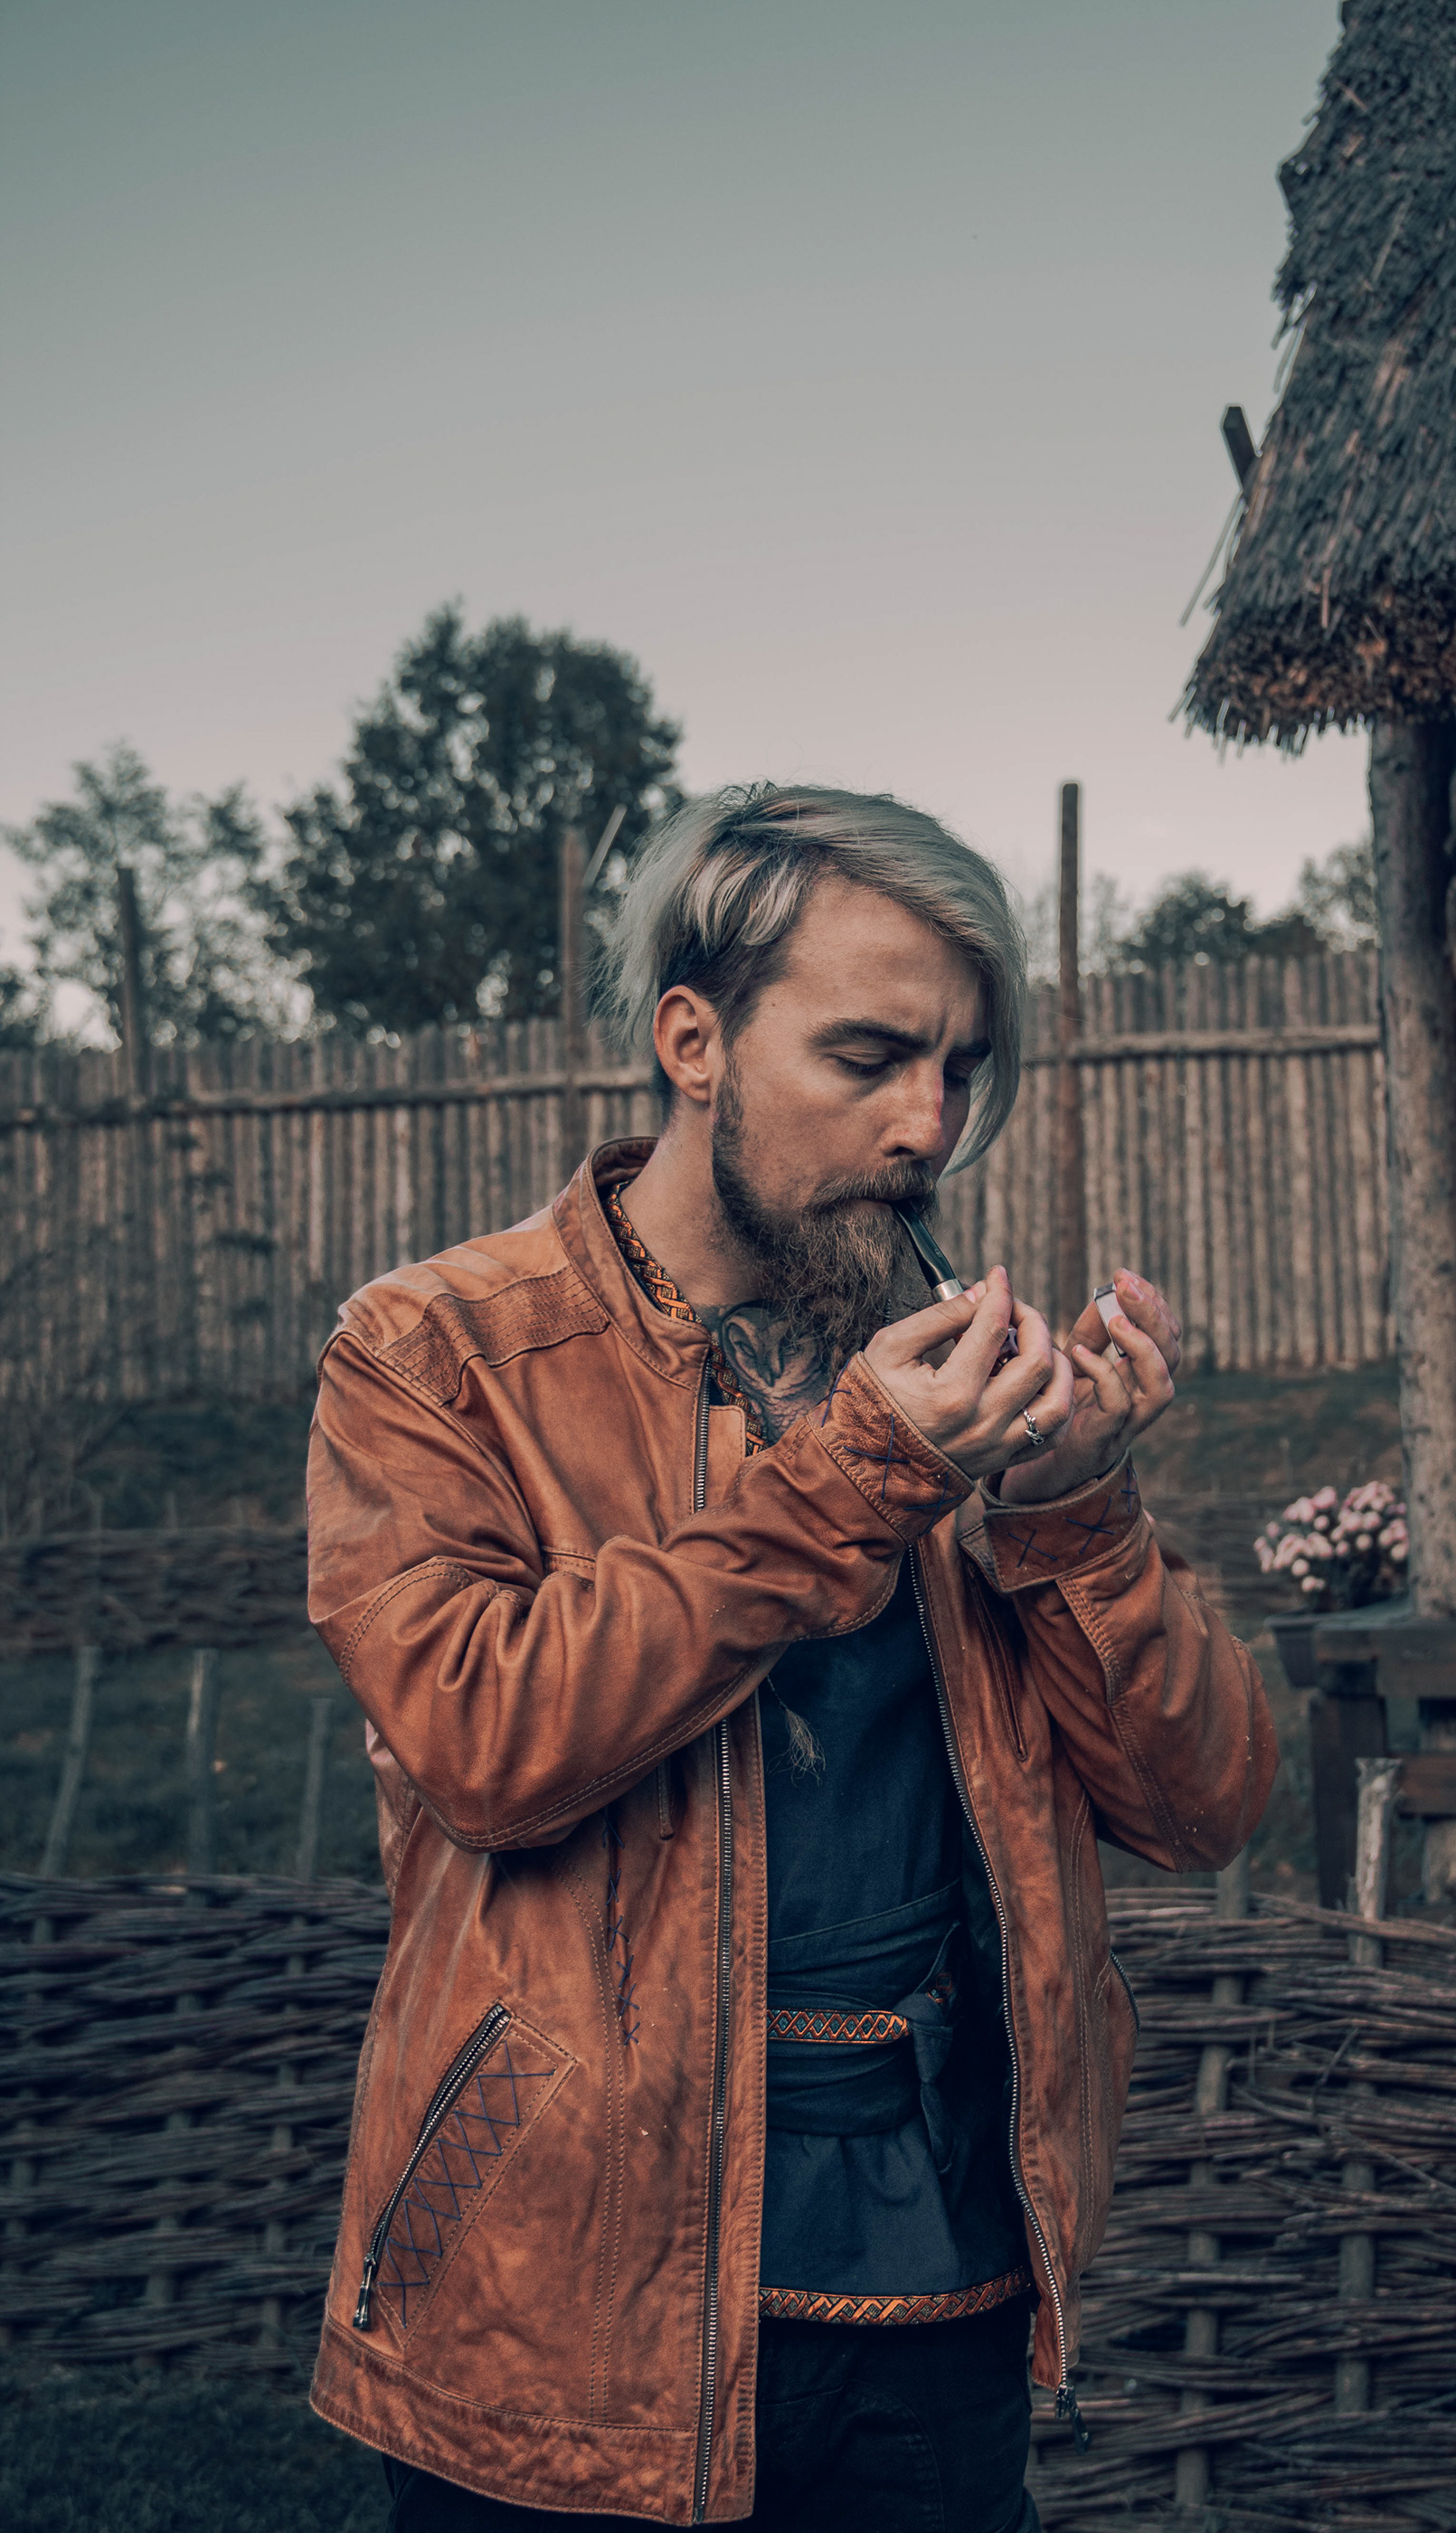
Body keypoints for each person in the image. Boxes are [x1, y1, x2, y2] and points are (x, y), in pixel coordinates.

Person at [306, 785, 1276, 2531]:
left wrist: (1075, 1511)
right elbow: (483, 1742)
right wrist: (857, 1481)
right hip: (563, 2293)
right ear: (695, 1041)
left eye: (963, 1068)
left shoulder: (957, 1377)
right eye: (869, 1057)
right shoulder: (437, 1350)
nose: (929, 1125)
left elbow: (1203, 1809)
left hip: (939, 2268)